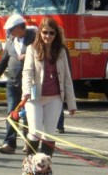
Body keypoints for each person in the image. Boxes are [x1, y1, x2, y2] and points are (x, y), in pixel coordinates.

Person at [22, 17, 77, 157]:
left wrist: (71, 103)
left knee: (49, 134)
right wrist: (26, 91)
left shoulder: (61, 51)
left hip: (55, 98)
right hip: (35, 98)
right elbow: (27, 72)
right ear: (39, 32)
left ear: (56, 34)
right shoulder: (31, 49)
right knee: (34, 132)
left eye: (52, 33)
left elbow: (67, 78)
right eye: (45, 32)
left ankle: (45, 167)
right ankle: (29, 164)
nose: (48, 36)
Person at [0, 14, 36, 154]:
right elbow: (2, 63)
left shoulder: (35, 38)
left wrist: (31, 55)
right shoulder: (11, 40)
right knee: (12, 113)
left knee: (28, 115)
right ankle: (9, 143)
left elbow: (45, 56)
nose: (9, 32)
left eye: (11, 29)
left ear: (19, 27)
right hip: (12, 83)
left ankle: (29, 143)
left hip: (30, 84)